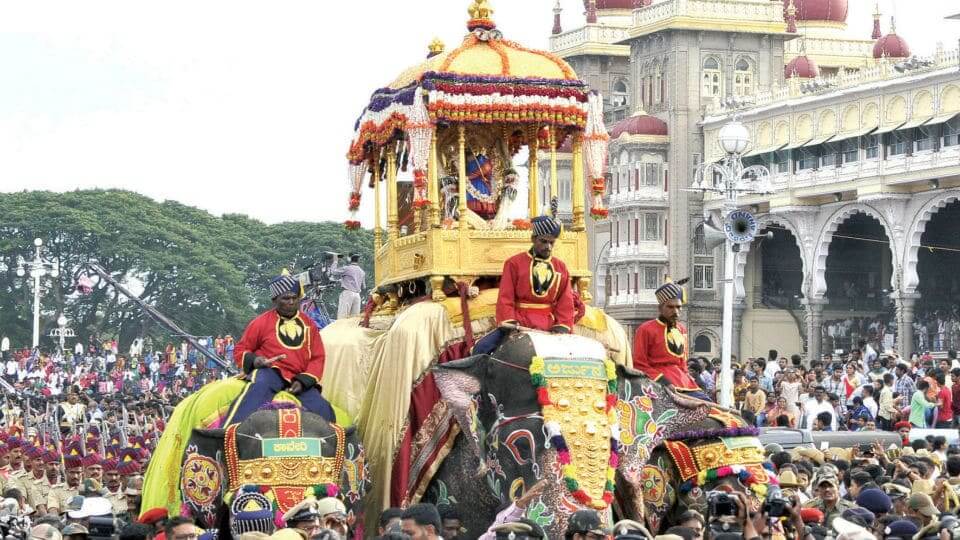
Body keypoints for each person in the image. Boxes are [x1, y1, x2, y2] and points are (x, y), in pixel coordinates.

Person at [224, 272, 334, 425]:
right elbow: (240, 349)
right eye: (286, 298)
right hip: (270, 373)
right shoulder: (260, 322)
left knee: (323, 408)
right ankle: (226, 432)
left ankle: (334, 444)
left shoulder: (309, 324)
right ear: (275, 300)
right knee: (256, 393)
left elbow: (317, 357)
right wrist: (256, 361)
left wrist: (303, 382)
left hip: (299, 377)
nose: (291, 302)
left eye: (294, 298)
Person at [494, 215, 575, 335]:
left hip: (550, 326)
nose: (548, 246)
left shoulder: (561, 267)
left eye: (551, 242)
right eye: (543, 241)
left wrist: (561, 326)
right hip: (519, 323)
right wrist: (510, 322)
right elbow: (505, 297)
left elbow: (566, 301)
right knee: (483, 347)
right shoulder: (513, 263)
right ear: (533, 239)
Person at [632, 279, 704, 396]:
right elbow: (639, 364)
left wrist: (689, 378)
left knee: (714, 411)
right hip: (657, 383)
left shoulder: (682, 330)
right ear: (660, 308)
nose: (676, 311)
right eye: (670, 307)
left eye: (678, 307)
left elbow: (682, 363)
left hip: (684, 382)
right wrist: (663, 381)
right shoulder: (645, 329)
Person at [330, 254, 365, 319]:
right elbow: (363, 286)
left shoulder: (347, 268)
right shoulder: (362, 272)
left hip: (348, 293)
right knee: (354, 320)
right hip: (357, 296)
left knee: (342, 317)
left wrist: (335, 261)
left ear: (350, 259)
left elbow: (333, 271)